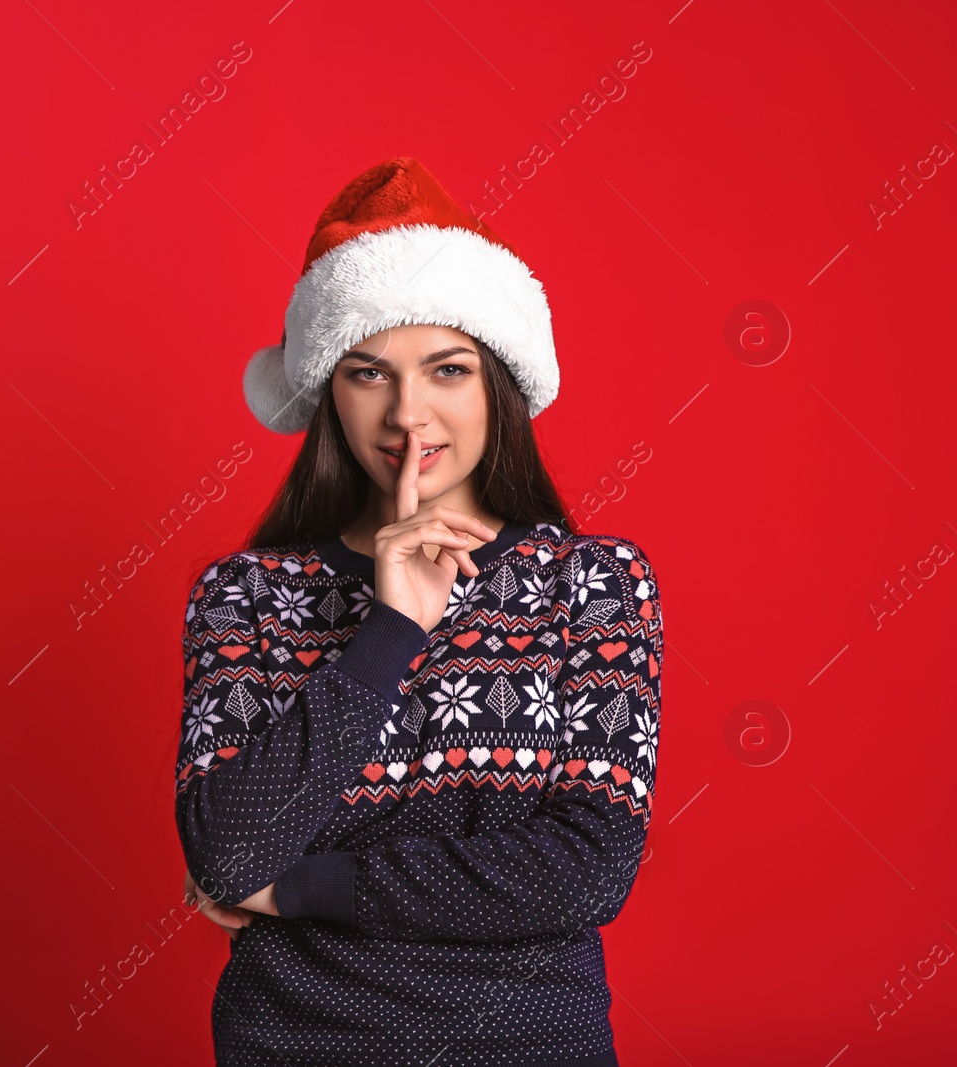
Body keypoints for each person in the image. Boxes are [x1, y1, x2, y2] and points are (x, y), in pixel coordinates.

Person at [174, 157, 664, 1065]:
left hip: (528, 1046)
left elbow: (583, 869)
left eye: (447, 368)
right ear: (328, 392)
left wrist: (298, 888)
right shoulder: (246, 598)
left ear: (498, 386)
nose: (408, 413)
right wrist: (391, 631)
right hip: (295, 1044)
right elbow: (228, 850)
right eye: (369, 373)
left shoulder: (592, 585)